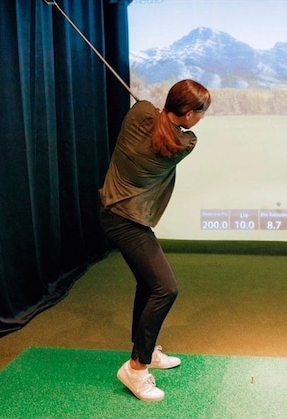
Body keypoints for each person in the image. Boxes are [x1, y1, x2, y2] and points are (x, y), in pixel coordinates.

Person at [98, 79, 211, 402]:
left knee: (149, 285)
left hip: (113, 213)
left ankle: (144, 348)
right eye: (201, 113)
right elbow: (175, 130)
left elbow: (149, 108)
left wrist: (157, 109)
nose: (201, 120)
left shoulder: (139, 114)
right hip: (126, 221)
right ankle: (136, 368)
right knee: (166, 288)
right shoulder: (185, 142)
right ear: (188, 114)